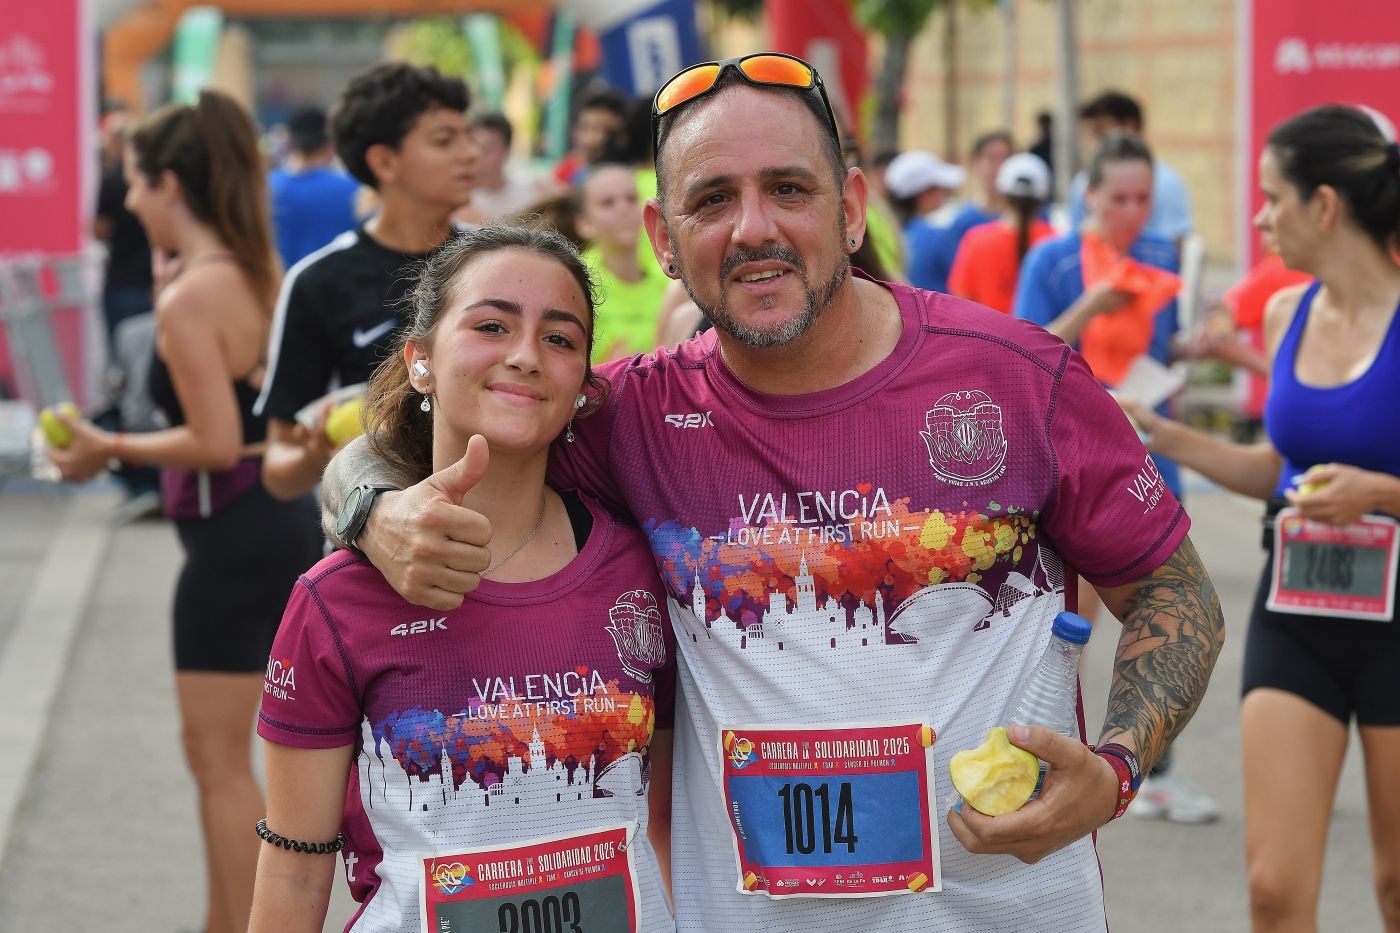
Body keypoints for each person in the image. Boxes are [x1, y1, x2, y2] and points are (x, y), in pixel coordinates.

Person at [320, 52, 1224, 931]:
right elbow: (404, 440)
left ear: (853, 208)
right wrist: (373, 509)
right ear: (664, 241)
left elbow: (1174, 590)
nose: (754, 227)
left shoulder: (1020, 379)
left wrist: (1113, 771)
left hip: (1010, 911)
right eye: (713, 199)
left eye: (789, 189)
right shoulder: (628, 415)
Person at [247, 225, 677, 932]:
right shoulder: (336, 600)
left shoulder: (641, 569)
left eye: (560, 339)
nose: (525, 355)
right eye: (490, 324)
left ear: (583, 386)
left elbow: (662, 821)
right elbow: (294, 868)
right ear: (420, 361)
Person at [48, 90, 324, 933]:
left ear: (170, 183)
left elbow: (211, 441)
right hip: (276, 525)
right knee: (258, 762)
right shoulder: (252, 272)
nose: (127, 201)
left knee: (218, 762)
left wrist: (106, 447)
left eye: (134, 182)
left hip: (233, 538)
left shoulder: (192, 297)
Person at [1123, 105, 1400, 932]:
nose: (1257, 216)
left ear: (1323, 205)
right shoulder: (1285, 317)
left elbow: (1356, 482)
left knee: (1396, 886)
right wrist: (1165, 434)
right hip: (1298, 615)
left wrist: (1382, 494)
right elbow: (1281, 476)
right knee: (1275, 892)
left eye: (1271, 196)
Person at [1013, 132, 1219, 824]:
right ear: (1089, 196)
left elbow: (1163, 345)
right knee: (1069, 625)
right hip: (1071, 467)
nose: (1132, 210)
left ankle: (1152, 767)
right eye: (1119, 197)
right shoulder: (1054, 258)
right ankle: (1040, 757)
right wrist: (1091, 308)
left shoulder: (1159, 256)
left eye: (1143, 198)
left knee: (1164, 613)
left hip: (1147, 454)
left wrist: (1198, 346)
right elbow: (1022, 350)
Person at [254, 62, 476, 501]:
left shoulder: (494, 263)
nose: (470, 152)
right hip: (367, 542)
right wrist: (314, 454)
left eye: (467, 136)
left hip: (499, 531)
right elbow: (277, 469)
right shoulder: (318, 281)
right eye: (444, 140)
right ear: (384, 161)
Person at [1069, 91, 1193, 246]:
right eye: (1119, 199)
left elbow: (1173, 249)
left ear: (1130, 126)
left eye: (1100, 131)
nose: (1092, 142)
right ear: (1091, 196)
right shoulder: (1081, 182)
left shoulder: (1167, 184)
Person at [576, 163, 669, 362]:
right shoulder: (575, 282)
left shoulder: (669, 279)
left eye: (631, 199)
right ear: (584, 224)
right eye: (608, 203)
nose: (623, 209)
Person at [948, 152, 1055, 314]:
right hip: (1043, 337)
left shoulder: (977, 240)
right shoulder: (1054, 240)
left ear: (1003, 194)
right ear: (1041, 199)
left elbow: (960, 301)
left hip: (989, 337)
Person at [267, 105, 361, 268]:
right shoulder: (355, 191)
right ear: (331, 145)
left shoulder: (266, 188)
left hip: (277, 288)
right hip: (337, 286)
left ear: (289, 144)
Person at [884, 149, 967, 293]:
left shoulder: (890, 231)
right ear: (923, 194)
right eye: (939, 187)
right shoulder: (937, 237)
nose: (945, 191)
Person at [459, 111, 556, 223]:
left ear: (507, 150)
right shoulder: (459, 199)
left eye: (489, 149)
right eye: (475, 146)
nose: (479, 155)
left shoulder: (531, 191)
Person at [946, 130, 1015, 248]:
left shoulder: (1033, 215)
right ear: (975, 164)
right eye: (992, 159)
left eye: (1005, 159)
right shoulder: (963, 222)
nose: (999, 168)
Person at [552, 87, 628, 186]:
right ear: (575, 131)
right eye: (592, 128)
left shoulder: (627, 173)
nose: (600, 137)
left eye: (608, 131)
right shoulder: (564, 176)